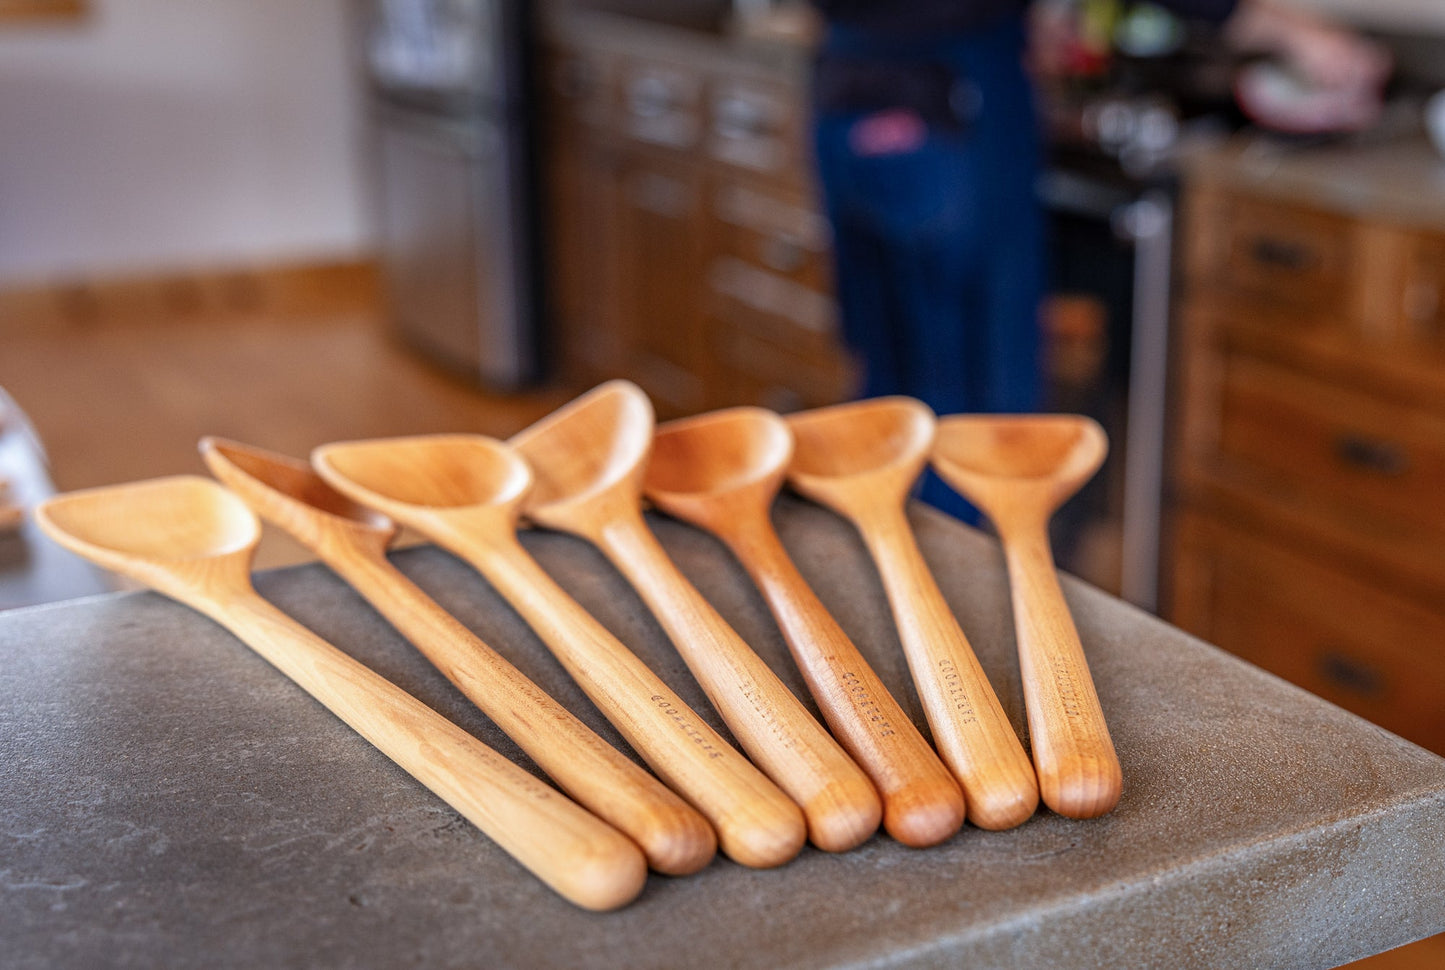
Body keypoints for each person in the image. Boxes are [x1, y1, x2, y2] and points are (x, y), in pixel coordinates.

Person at [808, 0, 1388, 520]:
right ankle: (941, 627)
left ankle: (886, 609)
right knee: (972, 424)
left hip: (846, 92)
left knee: (894, 390)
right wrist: (1294, 32)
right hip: (947, 102)